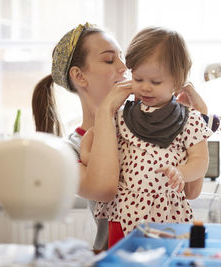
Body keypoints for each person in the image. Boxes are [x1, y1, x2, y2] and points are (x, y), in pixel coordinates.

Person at [31, 23, 215, 252]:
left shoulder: (152, 119)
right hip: (112, 255)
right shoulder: (68, 151)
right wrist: (106, 110)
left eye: (122, 58)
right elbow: (106, 189)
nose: (123, 67)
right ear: (79, 76)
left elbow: (190, 192)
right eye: (109, 60)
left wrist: (197, 120)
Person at [81, 26, 213, 248]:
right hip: (123, 213)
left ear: (177, 81)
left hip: (167, 216)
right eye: (138, 78)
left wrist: (182, 172)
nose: (145, 88)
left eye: (156, 82)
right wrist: (86, 156)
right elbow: (94, 136)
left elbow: (200, 162)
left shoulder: (189, 119)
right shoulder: (122, 115)